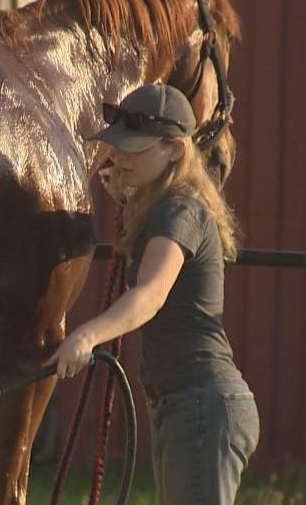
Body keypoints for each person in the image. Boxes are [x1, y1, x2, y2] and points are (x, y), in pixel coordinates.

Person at [46, 83, 259, 505]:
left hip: (201, 404)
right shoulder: (162, 206)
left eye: (134, 148)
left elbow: (152, 294)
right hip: (183, 405)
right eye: (117, 147)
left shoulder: (180, 209)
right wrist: (127, 195)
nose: (119, 156)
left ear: (176, 150)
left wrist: (88, 336)